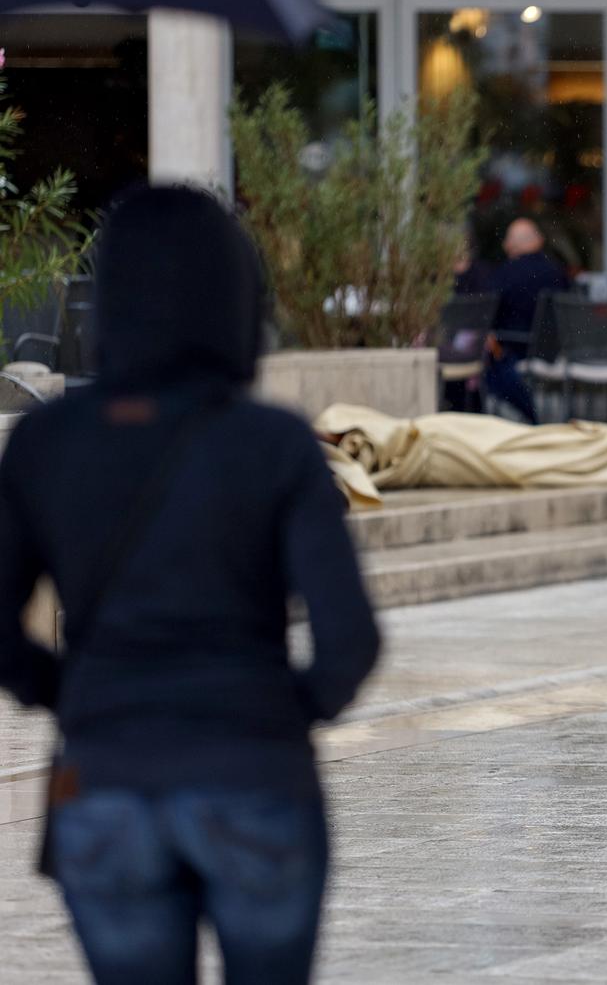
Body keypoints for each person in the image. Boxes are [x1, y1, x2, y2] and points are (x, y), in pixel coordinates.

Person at [0, 186, 381, 984]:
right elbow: (350, 640)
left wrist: (69, 692)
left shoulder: (45, 442)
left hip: (104, 773)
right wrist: (276, 711)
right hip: (255, 773)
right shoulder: (272, 443)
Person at [485, 217, 568, 423]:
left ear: (512, 245)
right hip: (554, 353)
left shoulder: (505, 274)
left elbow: (487, 317)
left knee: (489, 361)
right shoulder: (557, 272)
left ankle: (529, 417)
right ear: (538, 241)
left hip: (517, 352)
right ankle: (533, 418)